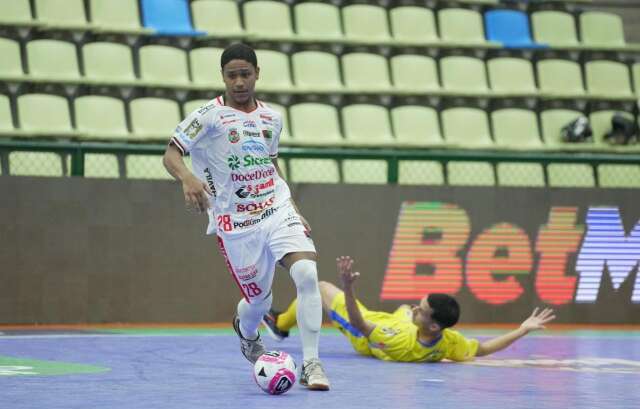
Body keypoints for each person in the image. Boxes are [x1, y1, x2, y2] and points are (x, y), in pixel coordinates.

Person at [162, 43, 329, 390]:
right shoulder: (207, 116)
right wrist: (188, 178)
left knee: (307, 273)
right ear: (223, 77)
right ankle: (247, 330)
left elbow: (270, 163)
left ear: (257, 74)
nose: (239, 82)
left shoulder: (273, 118)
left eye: (245, 74)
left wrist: (294, 209)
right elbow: (171, 154)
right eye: (231, 75)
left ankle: (312, 364)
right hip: (235, 224)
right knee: (257, 301)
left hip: (276, 207)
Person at [263, 256, 556, 363]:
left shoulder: (400, 344)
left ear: (432, 326)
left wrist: (348, 287)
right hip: (396, 323)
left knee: (320, 289)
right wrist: (522, 329)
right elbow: (483, 349)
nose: (419, 306)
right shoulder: (448, 342)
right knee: (404, 308)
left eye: (423, 309)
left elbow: (361, 324)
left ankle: (281, 324)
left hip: (367, 332)